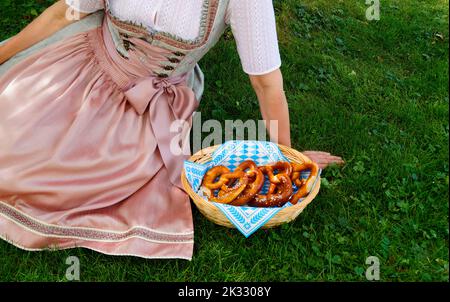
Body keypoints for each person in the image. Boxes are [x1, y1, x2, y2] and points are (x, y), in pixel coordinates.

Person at [0, 0, 344, 259]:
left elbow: (266, 83)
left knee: (67, 180)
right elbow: (66, 12)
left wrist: (284, 157)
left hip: (151, 106)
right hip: (84, 68)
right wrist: (3, 53)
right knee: (15, 142)